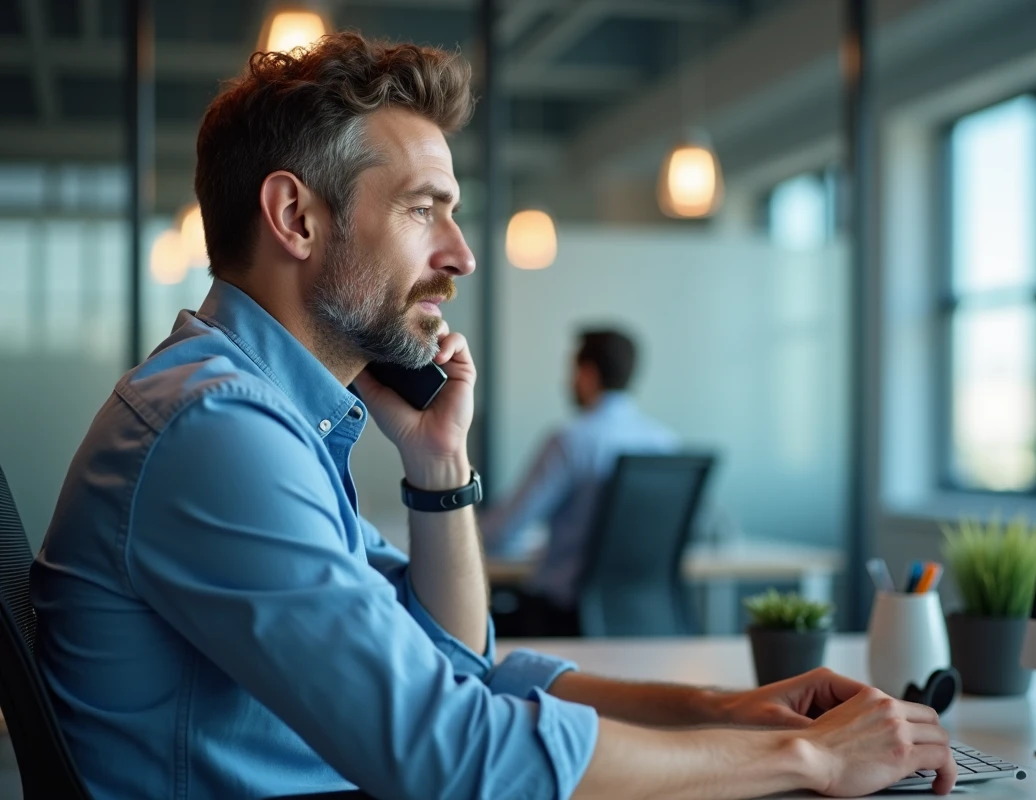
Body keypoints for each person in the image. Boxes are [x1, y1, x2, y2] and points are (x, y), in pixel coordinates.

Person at [30, 33, 956, 800]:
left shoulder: (267, 420)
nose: (462, 254)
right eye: (424, 210)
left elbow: (457, 665)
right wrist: (809, 757)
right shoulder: (216, 432)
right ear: (296, 219)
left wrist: (731, 711)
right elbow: (449, 751)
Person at [480, 329, 678, 636]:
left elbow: (504, 531)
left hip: (563, 620)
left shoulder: (571, 440)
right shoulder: (664, 443)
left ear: (587, 374)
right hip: (642, 622)